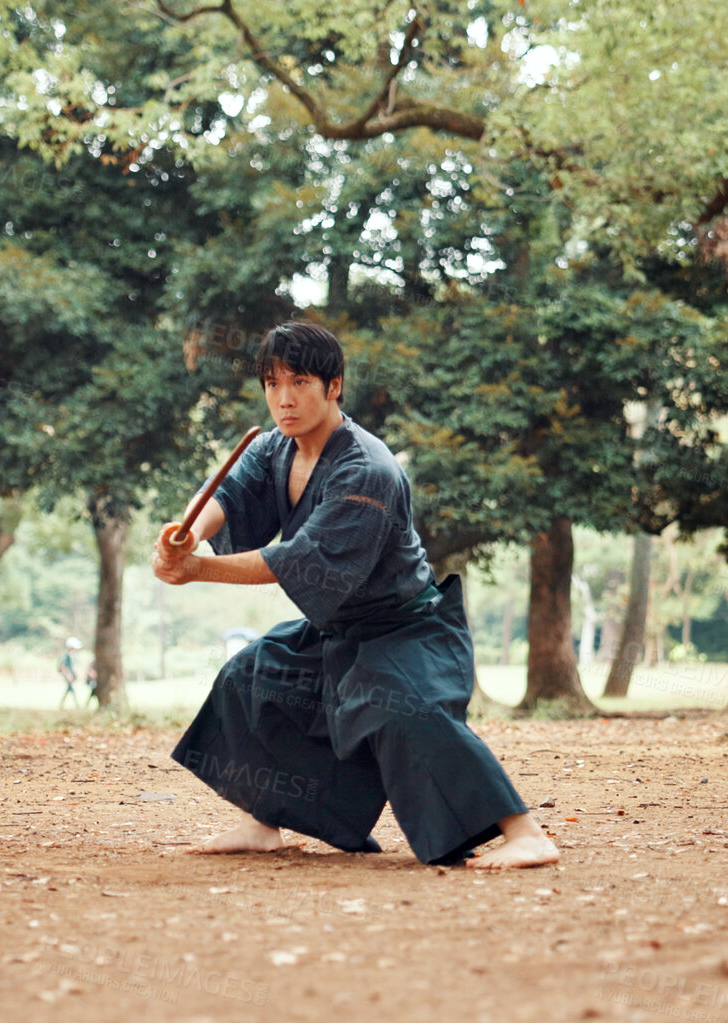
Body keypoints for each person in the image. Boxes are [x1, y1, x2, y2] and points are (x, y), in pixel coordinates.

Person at [153, 321, 558, 870]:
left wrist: (198, 569)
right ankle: (261, 821)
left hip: (406, 629)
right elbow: (225, 492)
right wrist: (185, 534)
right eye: (272, 384)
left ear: (334, 385)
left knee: (405, 709)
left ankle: (525, 831)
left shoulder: (366, 468)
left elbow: (300, 560)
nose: (284, 398)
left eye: (299, 381)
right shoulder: (275, 448)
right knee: (251, 678)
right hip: (336, 629)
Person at [56, 637, 82, 709]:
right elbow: (62, 666)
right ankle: (76, 704)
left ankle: (62, 704)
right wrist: (68, 675)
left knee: (69, 689)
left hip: (72, 675)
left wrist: (76, 674)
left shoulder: (74, 655)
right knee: (70, 688)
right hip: (67, 675)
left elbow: (74, 666)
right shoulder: (65, 655)